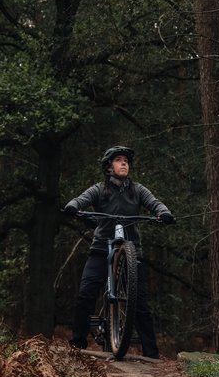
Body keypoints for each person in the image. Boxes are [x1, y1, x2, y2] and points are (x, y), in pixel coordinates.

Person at [62, 146, 174, 359]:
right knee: (86, 293)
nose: (124, 163)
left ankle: (151, 354)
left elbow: (155, 203)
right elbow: (80, 200)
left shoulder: (137, 190)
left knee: (140, 303)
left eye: (126, 161)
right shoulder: (99, 189)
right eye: (119, 160)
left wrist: (164, 213)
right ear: (108, 167)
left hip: (131, 251)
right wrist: (73, 206)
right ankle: (77, 344)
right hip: (101, 248)